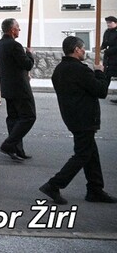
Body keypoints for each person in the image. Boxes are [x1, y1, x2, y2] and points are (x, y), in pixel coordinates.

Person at [38, 36, 115, 204]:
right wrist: (100, 72)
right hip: (84, 118)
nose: (84, 51)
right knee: (83, 154)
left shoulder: (59, 69)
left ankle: (95, 189)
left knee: (91, 154)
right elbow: (101, 91)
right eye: (82, 48)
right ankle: (53, 185)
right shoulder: (80, 70)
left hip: (73, 117)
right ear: (76, 50)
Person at [0, 18, 35, 161]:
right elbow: (27, 64)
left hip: (8, 86)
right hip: (20, 87)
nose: (19, 29)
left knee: (13, 118)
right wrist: (29, 53)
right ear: (12, 30)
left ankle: (17, 149)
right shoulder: (15, 45)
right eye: (17, 27)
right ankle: (9, 145)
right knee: (28, 116)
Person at [101, 16, 117, 81]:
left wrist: (107, 51)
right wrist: (101, 48)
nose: (108, 24)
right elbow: (104, 43)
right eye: (107, 23)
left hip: (115, 58)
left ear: (115, 23)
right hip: (108, 59)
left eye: (110, 22)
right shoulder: (107, 32)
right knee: (106, 77)